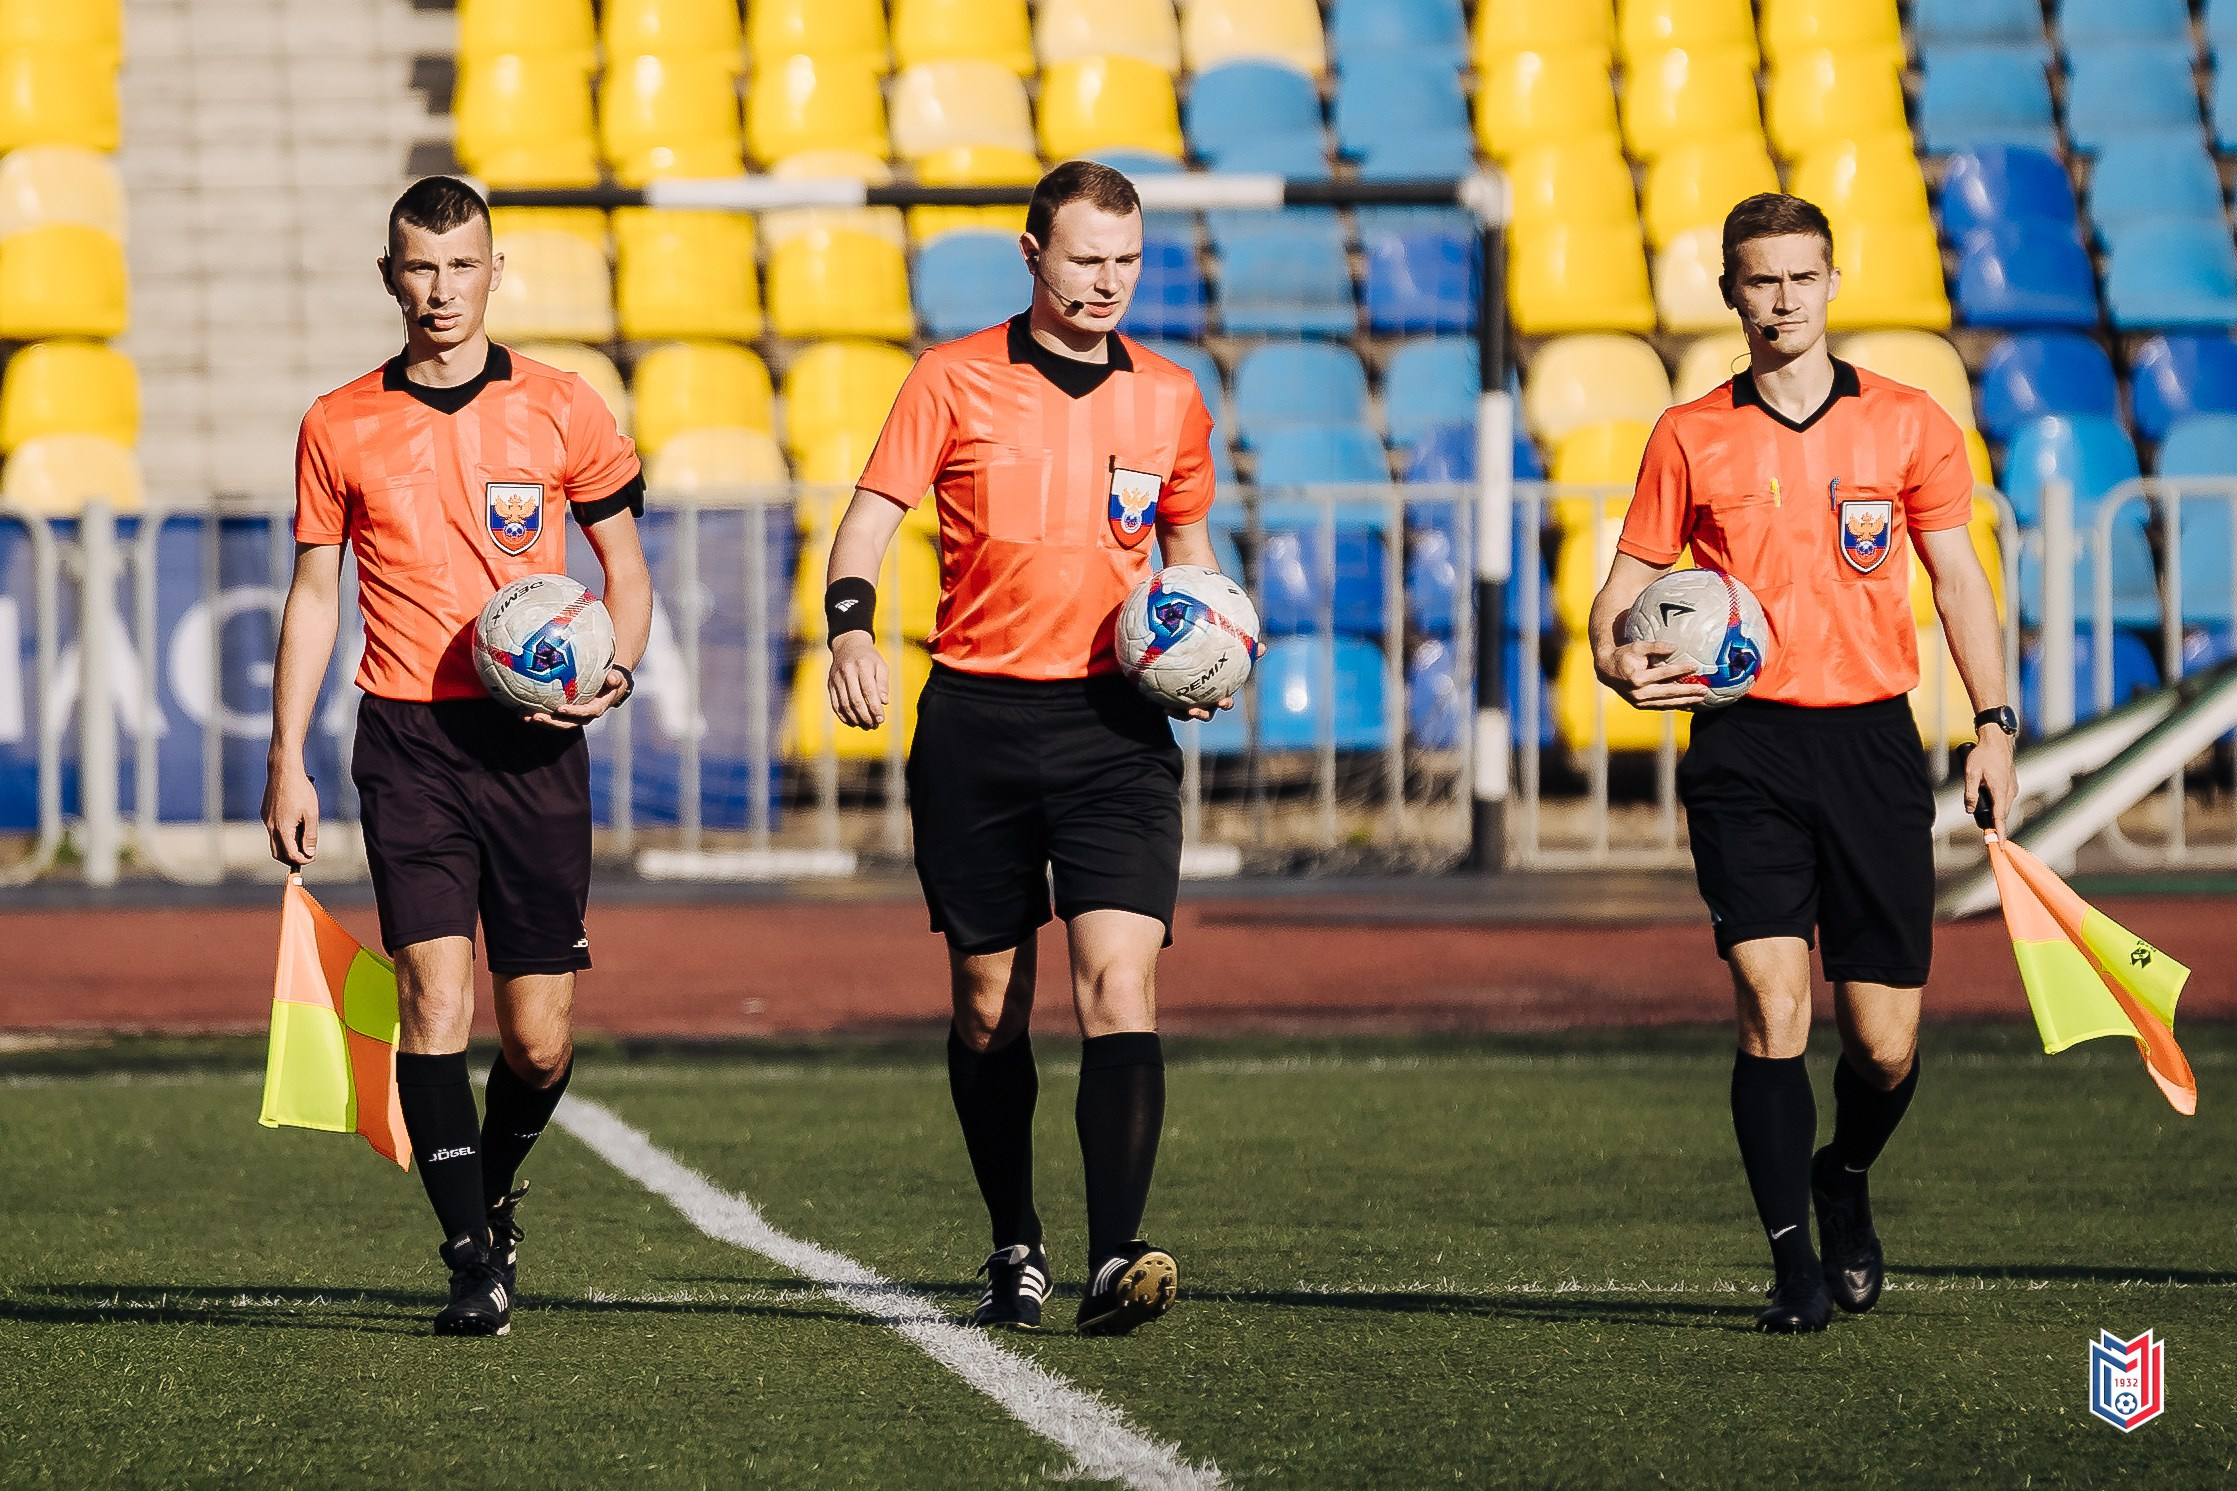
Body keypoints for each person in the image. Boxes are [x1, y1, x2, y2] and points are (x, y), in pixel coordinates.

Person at [1589, 193, 2019, 1333]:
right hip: (1745, 749)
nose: (1778, 300)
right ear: (1727, 292)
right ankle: (1789, 1269)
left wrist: (1993, 724)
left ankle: (1843, 1179)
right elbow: (1622, 592)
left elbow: (1958, 580)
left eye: (1798, 278)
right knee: (1769, 1005)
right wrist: (1609, 659)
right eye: (1756, 280)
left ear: (1831, 282)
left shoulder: (1909, 423)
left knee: (1882, 1046)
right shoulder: (1688, 434)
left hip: (1873, 743)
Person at [824, 160, 1229, 1335]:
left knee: (1119, 979)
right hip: (976, 725)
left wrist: (1207, 650)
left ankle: (1116, 1259)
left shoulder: (1169, 395)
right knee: (989, 1003)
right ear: (1032, 255)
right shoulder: (948, 380)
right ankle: (1015, 1239)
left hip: (1115, 729)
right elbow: (865, 523)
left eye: (1126, 260)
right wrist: (850, 630)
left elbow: (1188, 549)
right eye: (1084, 259)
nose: (1107, 283)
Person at [261, 176, 651, 1337]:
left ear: (494, 272)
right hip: (408, 739)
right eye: (418, 269)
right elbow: (315, 597)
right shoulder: (338, 423)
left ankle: (496, 1192)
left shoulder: (563, 406)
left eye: (460, 267)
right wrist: (288, 756)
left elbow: (624, 573)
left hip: (533, 747)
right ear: (390, 276)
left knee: (537, 1038)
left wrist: (611, 675)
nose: (440, 290)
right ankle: (471, 1256)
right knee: (434, 997)